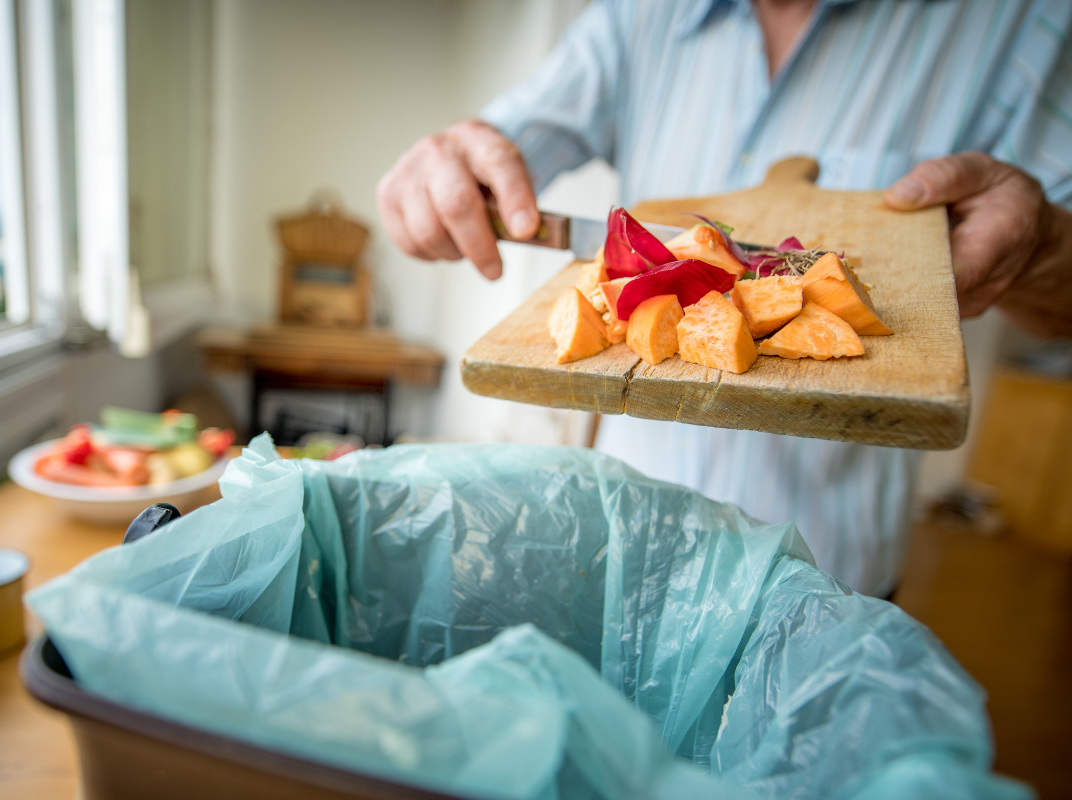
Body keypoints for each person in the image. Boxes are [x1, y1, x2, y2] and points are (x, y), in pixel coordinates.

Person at [376, 0, 1072, 597]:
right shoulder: (636, 14)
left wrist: (1043, 249)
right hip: (623, 552)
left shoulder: (1022, 20)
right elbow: (493, 152)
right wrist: (448, 168)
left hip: (826, 584)